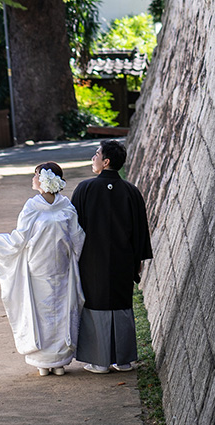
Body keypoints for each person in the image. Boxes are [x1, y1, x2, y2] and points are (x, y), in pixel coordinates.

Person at [0, 162, 85, 376]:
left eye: (36, 175)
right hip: (38, 269)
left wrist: (73, 261)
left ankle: (59, 360)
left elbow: (77, 237)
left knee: (62, 311)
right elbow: (20, 238)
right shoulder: (32, 206)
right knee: (41, 313)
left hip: (62, 269)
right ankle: (42, 360)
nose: (33, 179)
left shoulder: (66, 205)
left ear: (45, 179)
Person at [71, 140, 152, 374]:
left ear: (106, 161)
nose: (93, 158)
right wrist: (137, 259)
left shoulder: (85, 189)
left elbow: (73, 229)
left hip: (92, 260)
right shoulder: (131, 191)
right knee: (121, 303)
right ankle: (123, 360)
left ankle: (99, 361)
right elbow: (140, 230)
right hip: (123, 260)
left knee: (96, 304)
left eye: (96, 154)